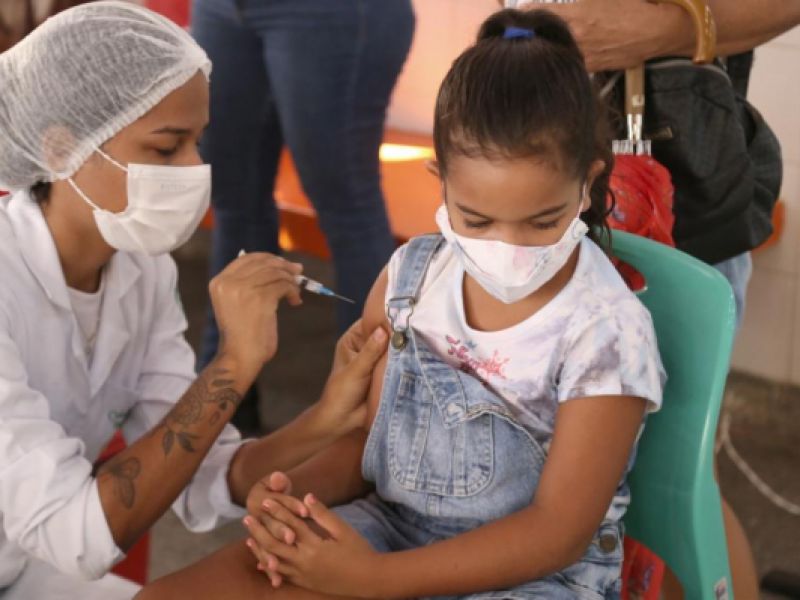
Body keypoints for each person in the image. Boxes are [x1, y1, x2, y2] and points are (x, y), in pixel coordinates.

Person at [136, 9, 666, 598]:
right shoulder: (411, 279)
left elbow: (557, 532)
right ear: (441, 179)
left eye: (543, 221)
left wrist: (373, 579)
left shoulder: (606, 331)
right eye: (476, 220)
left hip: (537, 574)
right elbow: (371, 444)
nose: (508, 248)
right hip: (391, 527)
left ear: (587, 183)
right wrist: (293, 493)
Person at [0, 3, 387, 598]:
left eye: (197, 142)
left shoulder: (138, 266)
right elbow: (81, 534)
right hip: (49, 548)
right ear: (59, 150)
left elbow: (203, 474)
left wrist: (327, 416)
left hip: (24, 565)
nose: (194, 170)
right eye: (165, 149)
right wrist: (234, 363)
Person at [503, 2, 800, 598]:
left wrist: (675, 29)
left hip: (667, 204)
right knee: (555, 467)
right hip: (541, 182)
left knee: (669, 482)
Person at [192, 0, 415, 428]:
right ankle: (223, 404)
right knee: (233, 199)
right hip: (223, 9)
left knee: (346, 205)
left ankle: (366, 417)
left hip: (331, 11)